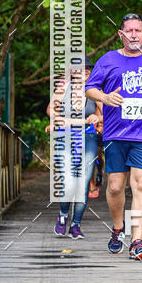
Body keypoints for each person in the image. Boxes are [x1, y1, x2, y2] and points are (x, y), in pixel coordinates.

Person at [85, 13, 142, 260]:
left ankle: (137, 241)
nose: (134, 35)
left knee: (141, 184)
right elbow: (89, 88)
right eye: (129, 31)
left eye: (138, 30)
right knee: (115, 187)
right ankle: (118, 229)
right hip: (116, 133)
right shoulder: (108, 60)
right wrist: (104, 98)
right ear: (121, 34)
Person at [47, 58, 102, 239]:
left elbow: (103, 114)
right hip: (65, 135)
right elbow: (51, 110)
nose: (84, 71)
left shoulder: (95, 90)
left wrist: (97, 118)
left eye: (87, 69)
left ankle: (76, 224)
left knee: (83, 182)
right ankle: (63, 216)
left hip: (88, 137)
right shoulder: (64, 87)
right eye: (80, 69)